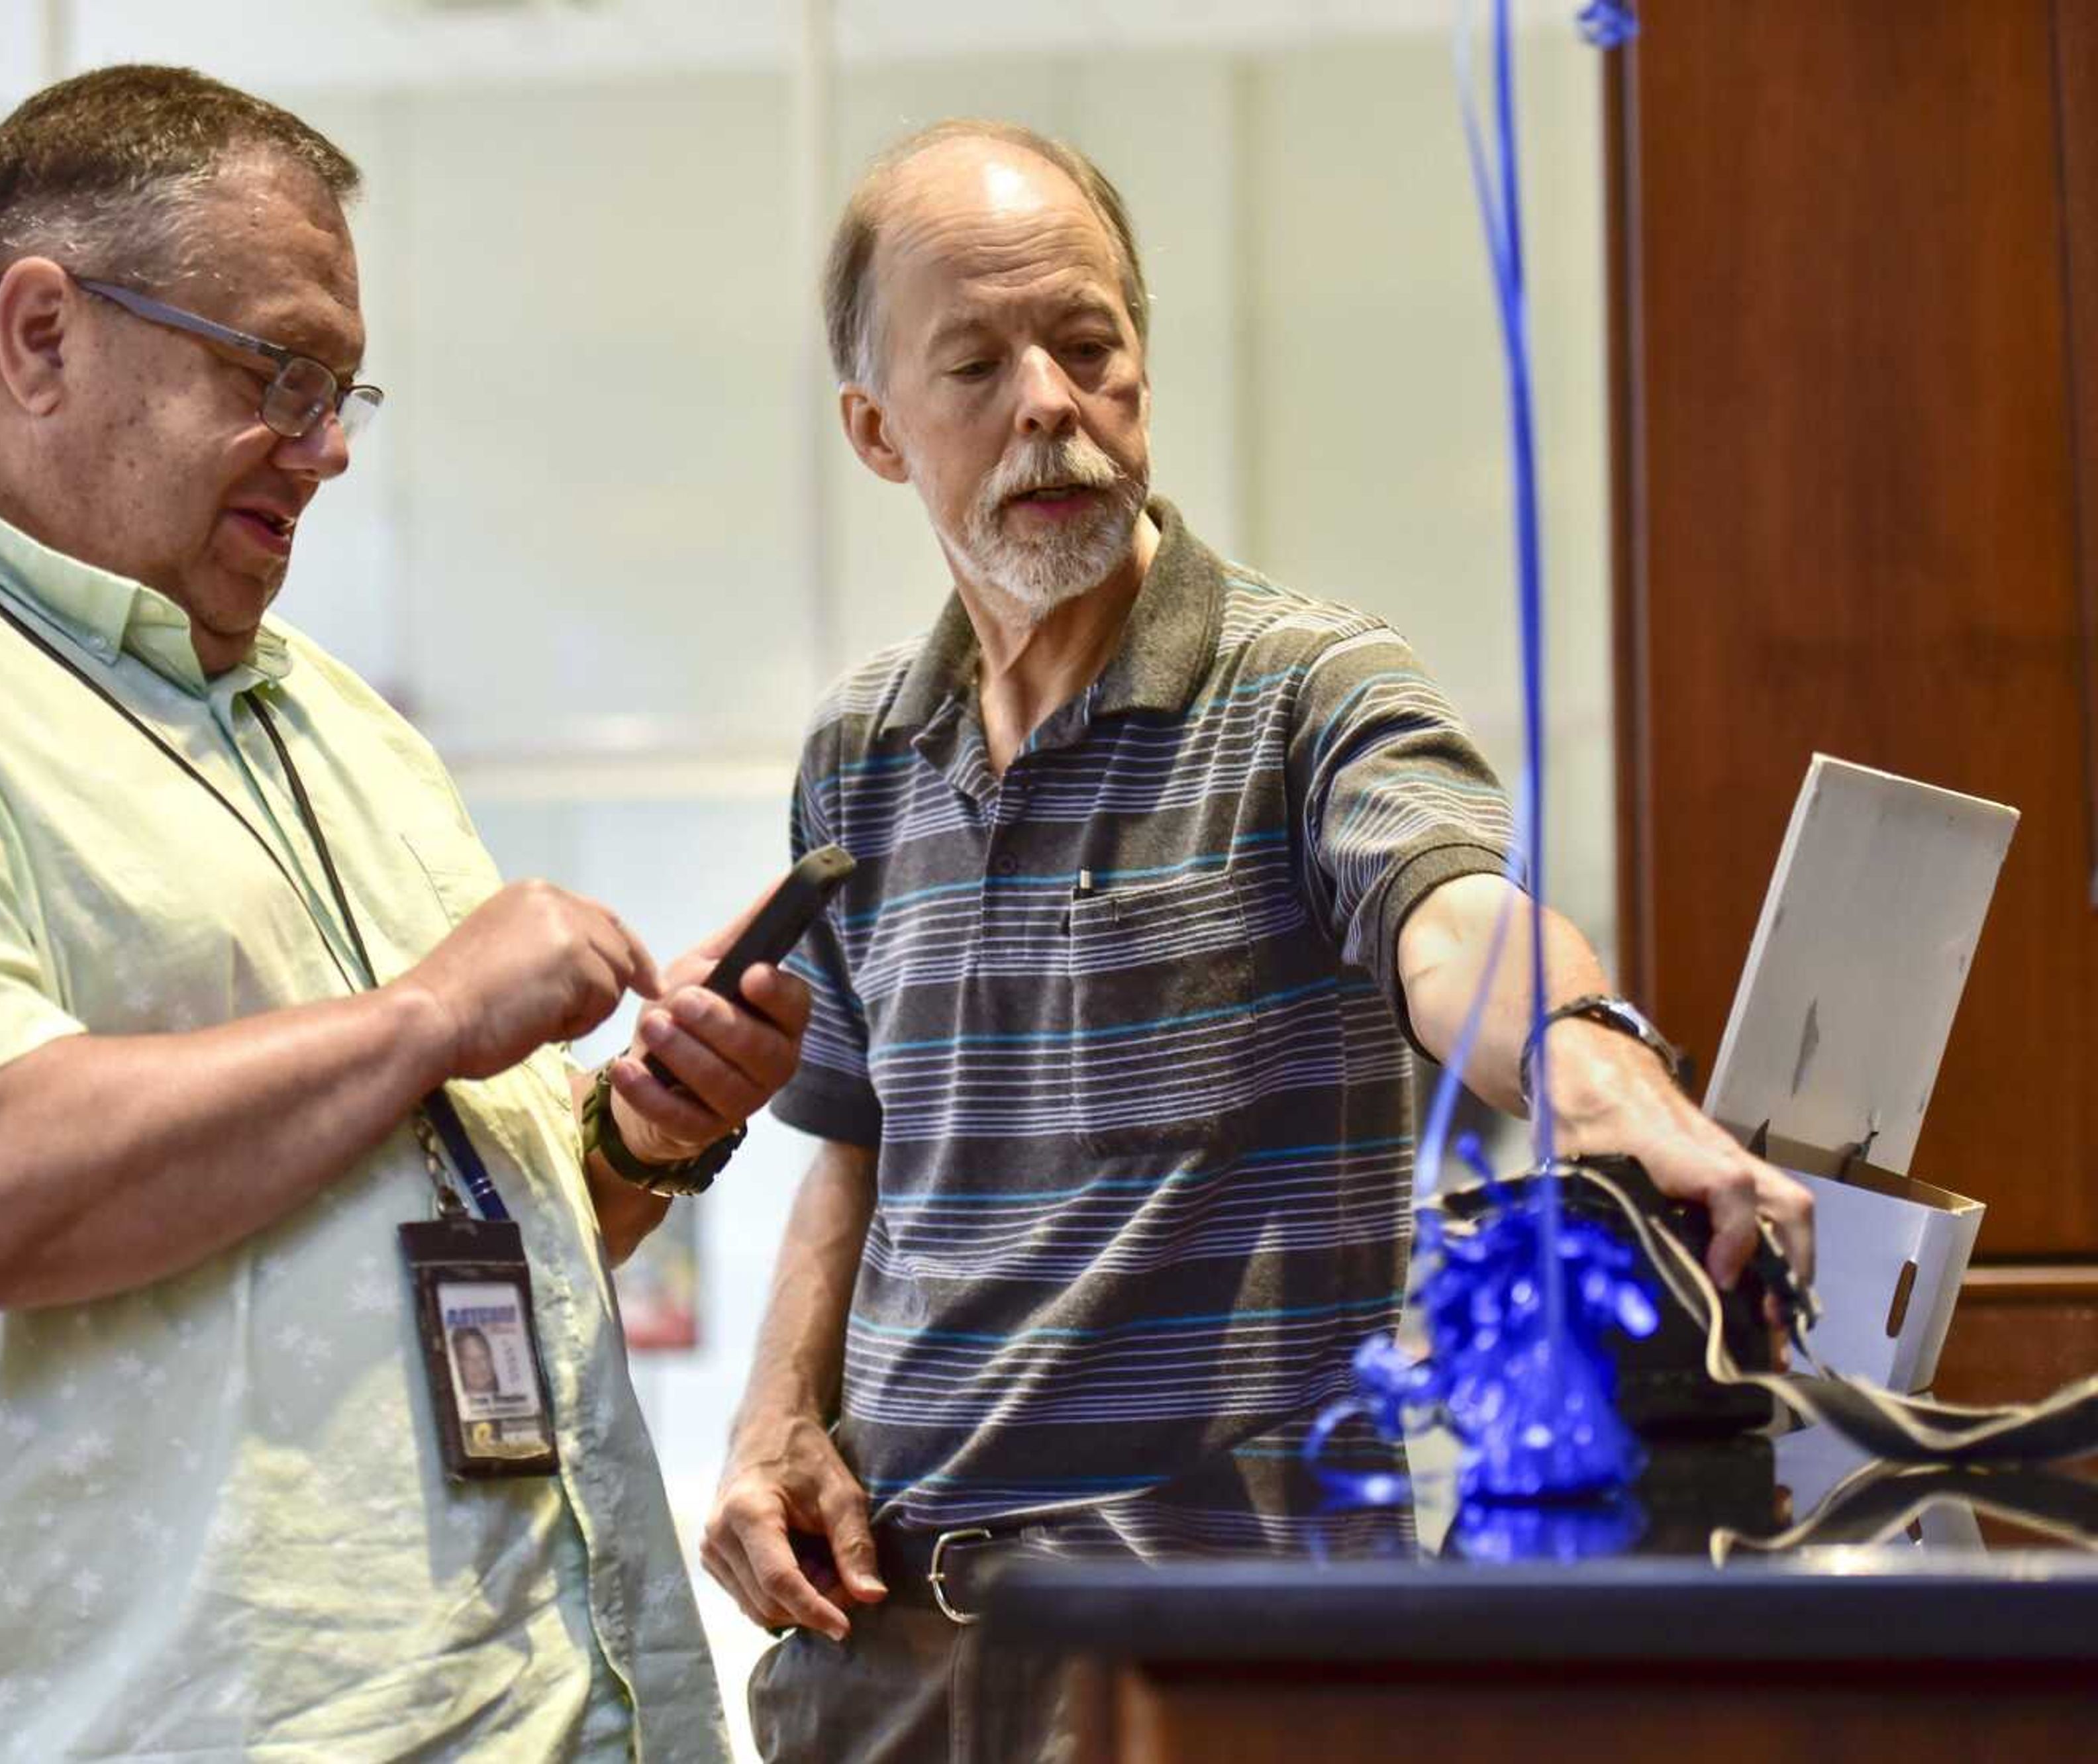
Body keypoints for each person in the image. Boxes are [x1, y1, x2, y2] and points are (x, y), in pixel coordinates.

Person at [0, 65, 806, 1761]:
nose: (329, 448)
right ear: (40, 332)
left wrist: (644, 1143)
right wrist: (427, 1019)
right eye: (279, 372)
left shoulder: (336, 729)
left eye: (347, 391)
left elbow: (421, 1240)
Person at [698, 119, 1817, 1760]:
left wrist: (1605, 1070)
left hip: (1220, 1657)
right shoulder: (860, 751)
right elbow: (856, 1146)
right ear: (876, 430)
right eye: (979, 366)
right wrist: (773, 1414)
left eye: (1089, 346)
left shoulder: (1308, 688)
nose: (1051, 406)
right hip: (887, 1656)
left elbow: (1449, 919)